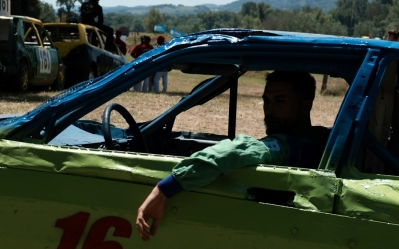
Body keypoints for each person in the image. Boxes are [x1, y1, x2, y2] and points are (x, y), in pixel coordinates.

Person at [135, 71, 330, 240]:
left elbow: (235, 151)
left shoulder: (286, 146)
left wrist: (163, 190)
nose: (269, 109)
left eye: (280, 101)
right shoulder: (322, 137)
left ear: (305, 106)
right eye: (266, 100)